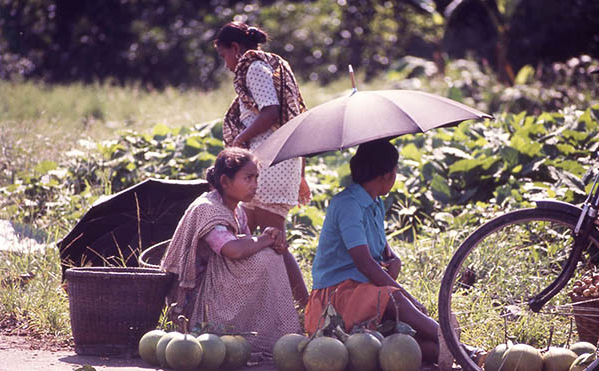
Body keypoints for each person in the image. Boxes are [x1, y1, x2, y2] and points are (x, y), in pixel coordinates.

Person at [304, 139, 441, 363]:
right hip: (336, 301)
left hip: (362, 292)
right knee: (395, 298)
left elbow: (382, 248)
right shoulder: (347, 204)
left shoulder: (375, 203)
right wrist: (408, 297)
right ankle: (457, 343)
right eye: (396, 171)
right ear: (387, 175)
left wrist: (393, 258)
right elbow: (365, 263)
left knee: (425, 348)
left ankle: (449, 347)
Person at [160, 147, 301, 353]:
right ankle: (241, 330)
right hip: (200, 299)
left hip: (220, 286)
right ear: (225, 181)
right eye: (248, 178)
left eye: (256, 178)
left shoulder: (237, 210)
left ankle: (266, 328)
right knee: (267, 256)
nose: (255, 185)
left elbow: (245, 242)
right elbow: (233, 250)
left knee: (269, 254)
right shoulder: (208, 209)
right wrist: (266, 239)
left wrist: (269, 236)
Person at [214, 21, 309, 307]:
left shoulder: (253, 67)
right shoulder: (268, 65)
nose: (227, 65)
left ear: (235, 48)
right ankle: (254, 305)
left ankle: (307, 309)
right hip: (273, 161)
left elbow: (271, 112)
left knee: (276, 242)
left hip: (270, 163)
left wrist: (238, 142)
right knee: (246, 235)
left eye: (224, 56)